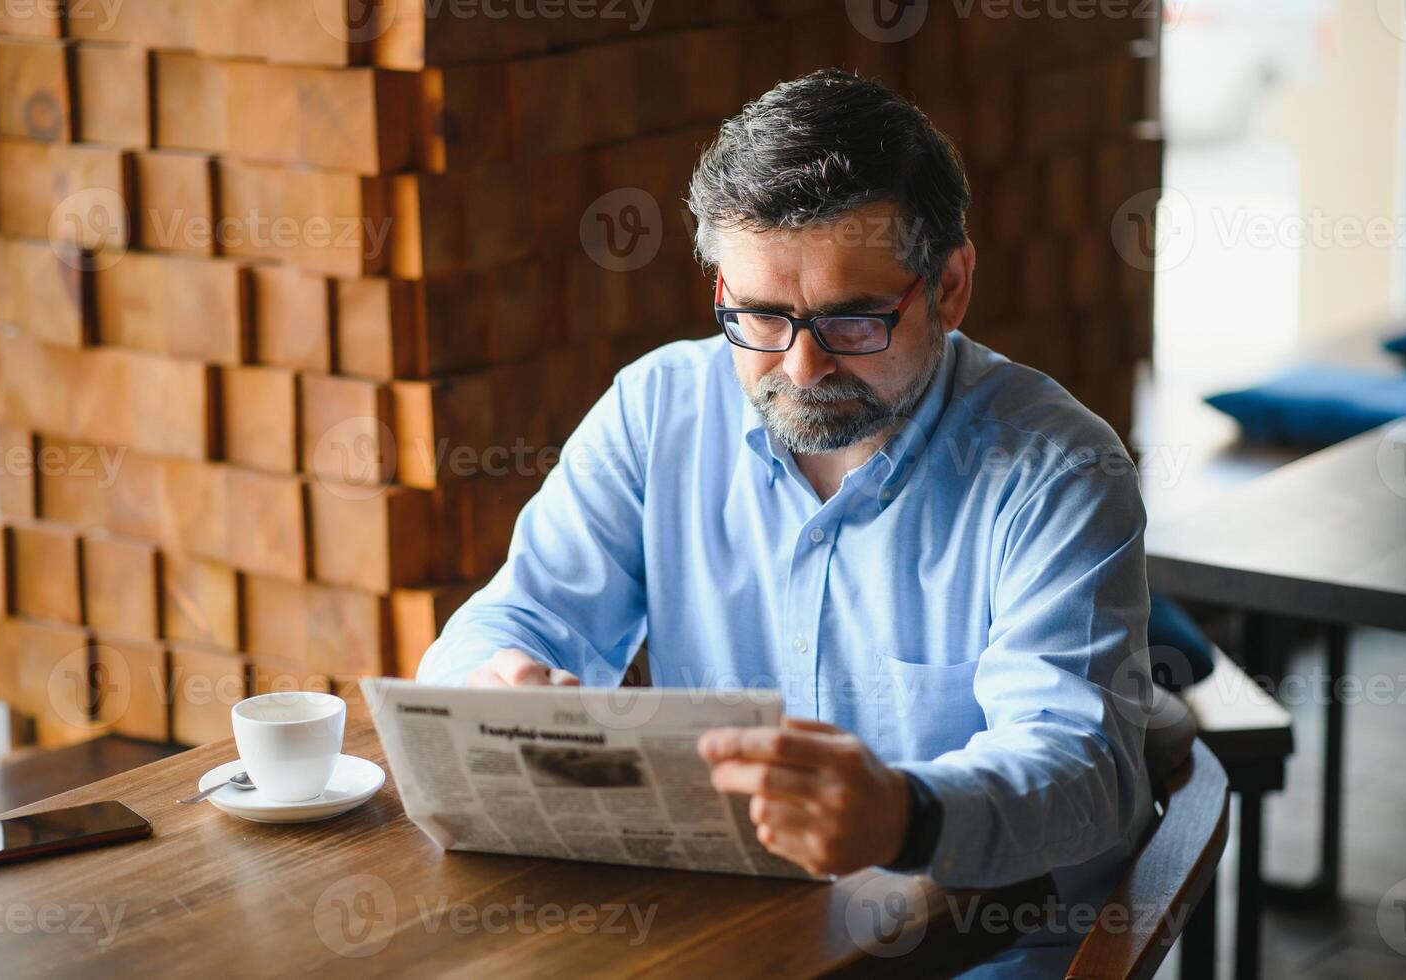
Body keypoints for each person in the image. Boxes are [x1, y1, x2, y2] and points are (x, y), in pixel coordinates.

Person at [417, 69, 1155, 970]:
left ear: (951, 286)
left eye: (852, 322)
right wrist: (488, 689)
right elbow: (516, 617)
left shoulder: (1057, 468)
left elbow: (1085, 768)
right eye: (760, 315)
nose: (800, 369)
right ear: (720, 285)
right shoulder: (656, 411)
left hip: (974, 951)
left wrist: (905, 814)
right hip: (723, 937)